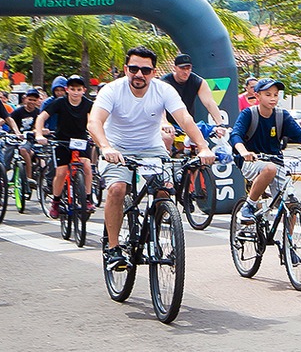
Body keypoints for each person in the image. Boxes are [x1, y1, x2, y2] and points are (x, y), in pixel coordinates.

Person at [90, 48, 216, 270]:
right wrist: (105, 147)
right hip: (117, 148)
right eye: (134, 69)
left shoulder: (163, 90)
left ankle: (154, 231)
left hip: (152, 149)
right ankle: (114, 248)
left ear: (154, 72)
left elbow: (185, 119)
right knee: (118, 189)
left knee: (164, 190)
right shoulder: (112, 90)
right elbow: (95, 123)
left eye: (145, 70)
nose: (139, 74)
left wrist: (203, 147)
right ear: (125, 69)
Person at [230, 77, 301, 229]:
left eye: (275, 94)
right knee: (269, 169)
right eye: (268, 94)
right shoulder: (249, 114)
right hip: (250, 161)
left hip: (275, 161)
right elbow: (236, 135)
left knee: (291, 203)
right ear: (257, 96)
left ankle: (289, 246)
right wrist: (244, 152)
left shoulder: (281, 116)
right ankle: (249, 206)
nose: (273, 98)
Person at [36, 77, 97, 221]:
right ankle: (56, 202)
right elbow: (41, 118)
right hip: (62, 140)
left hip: (81, 140)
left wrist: (97, 137)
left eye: (79, 89)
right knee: (61, 172)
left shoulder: (89, 104)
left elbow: (97, 121)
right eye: (73, 89)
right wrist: (39, 133)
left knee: (87, 166)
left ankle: (87, 198)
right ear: (67, 90)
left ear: (84, 91)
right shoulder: (59, 103)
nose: (75, 93)